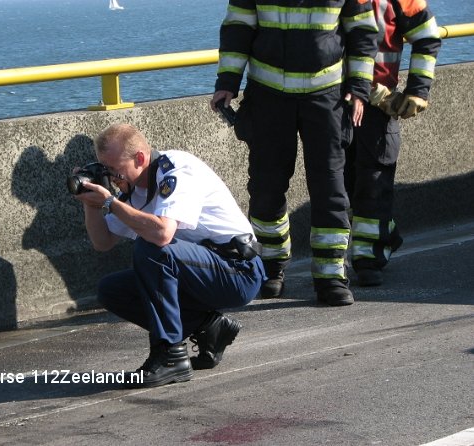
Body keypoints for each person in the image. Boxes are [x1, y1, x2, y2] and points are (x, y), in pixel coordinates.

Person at [211, 0, 379, 305]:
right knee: (265, 187)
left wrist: (359, 88)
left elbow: (363, 31)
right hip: (268, 96)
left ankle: (330, 276)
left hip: (327, 98)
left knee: (330, 187)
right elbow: (238, 28)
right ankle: (271, 266)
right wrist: (227, 82)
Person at [73, 123, 266, 388]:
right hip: (201, 272)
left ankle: (171, 357)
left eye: (115, 170)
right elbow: (102, 242)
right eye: (106, 170)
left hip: (238, 270)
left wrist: (110, 202)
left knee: (151, 247)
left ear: (140, 158)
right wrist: (91, 204)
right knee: (112, 290)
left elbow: (163, 234)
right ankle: (208, 326)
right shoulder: (134, 191)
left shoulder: (175, 170)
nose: (113, 178)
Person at [344, 0, 442, 286]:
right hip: (333, 100)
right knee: (340, 183)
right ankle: (384, 236)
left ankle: (368, 258)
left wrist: (418, 90)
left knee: (374, 180)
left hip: (377, 104)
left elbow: (427, 34)